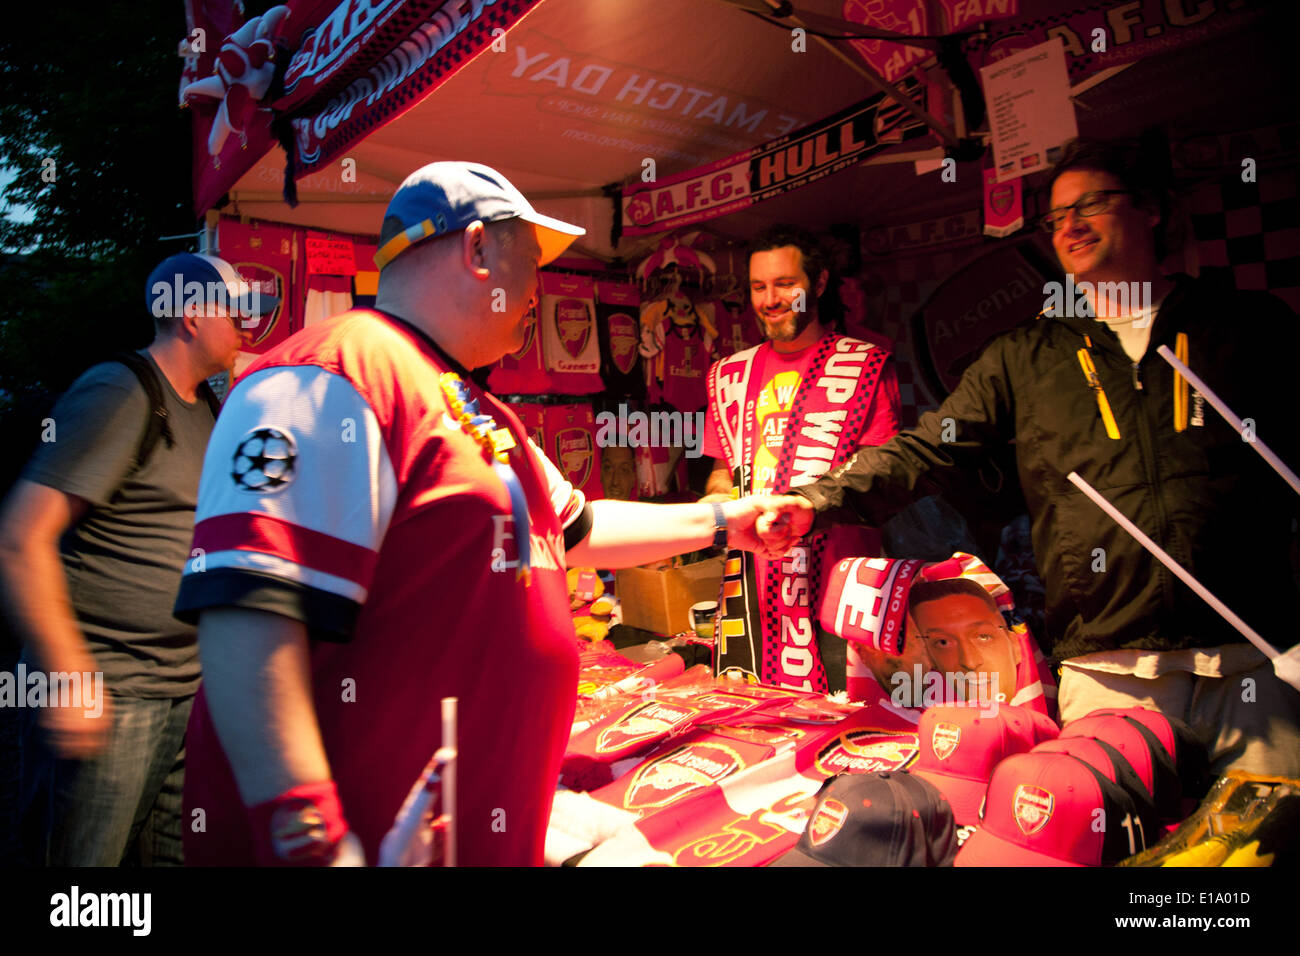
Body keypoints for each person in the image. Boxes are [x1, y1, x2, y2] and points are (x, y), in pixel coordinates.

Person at [173, 162, 774, 867]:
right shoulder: (331, 375)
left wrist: (728, 521)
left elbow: (578, 531)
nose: (538, 293)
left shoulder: (479, 411)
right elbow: (249, 611)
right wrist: (309, 833)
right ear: (479, 248)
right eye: (531, 261)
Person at [756, 138, 1300, 777]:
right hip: (1109, 664)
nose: (1069, 226)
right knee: (1102, 840)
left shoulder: (1243, 325)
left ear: (1151, 209)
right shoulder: (1027, 354)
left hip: (1254, 656)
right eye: (1056, 216)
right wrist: (812, 500)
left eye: (1091, 204)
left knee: (1265, 840)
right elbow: (926, 448)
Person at [0, 252, 271, 865]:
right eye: (235, 312)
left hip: (181, 693)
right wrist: (68, 676)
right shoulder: (119, 391)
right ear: (193, 315)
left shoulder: (205, 405)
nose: (247, 327)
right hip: (110, 693)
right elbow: (21, 535)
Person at [700, 225, 900, 692]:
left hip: (839, 595)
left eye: (786, 284)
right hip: (748, 596)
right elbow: (721, 474)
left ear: (820, 283)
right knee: (756, 732)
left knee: (844, 743)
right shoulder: (730, 375)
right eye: (758, 286)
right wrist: (716, 511)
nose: (771, 299)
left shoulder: (865, 365)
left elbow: (886, 481)